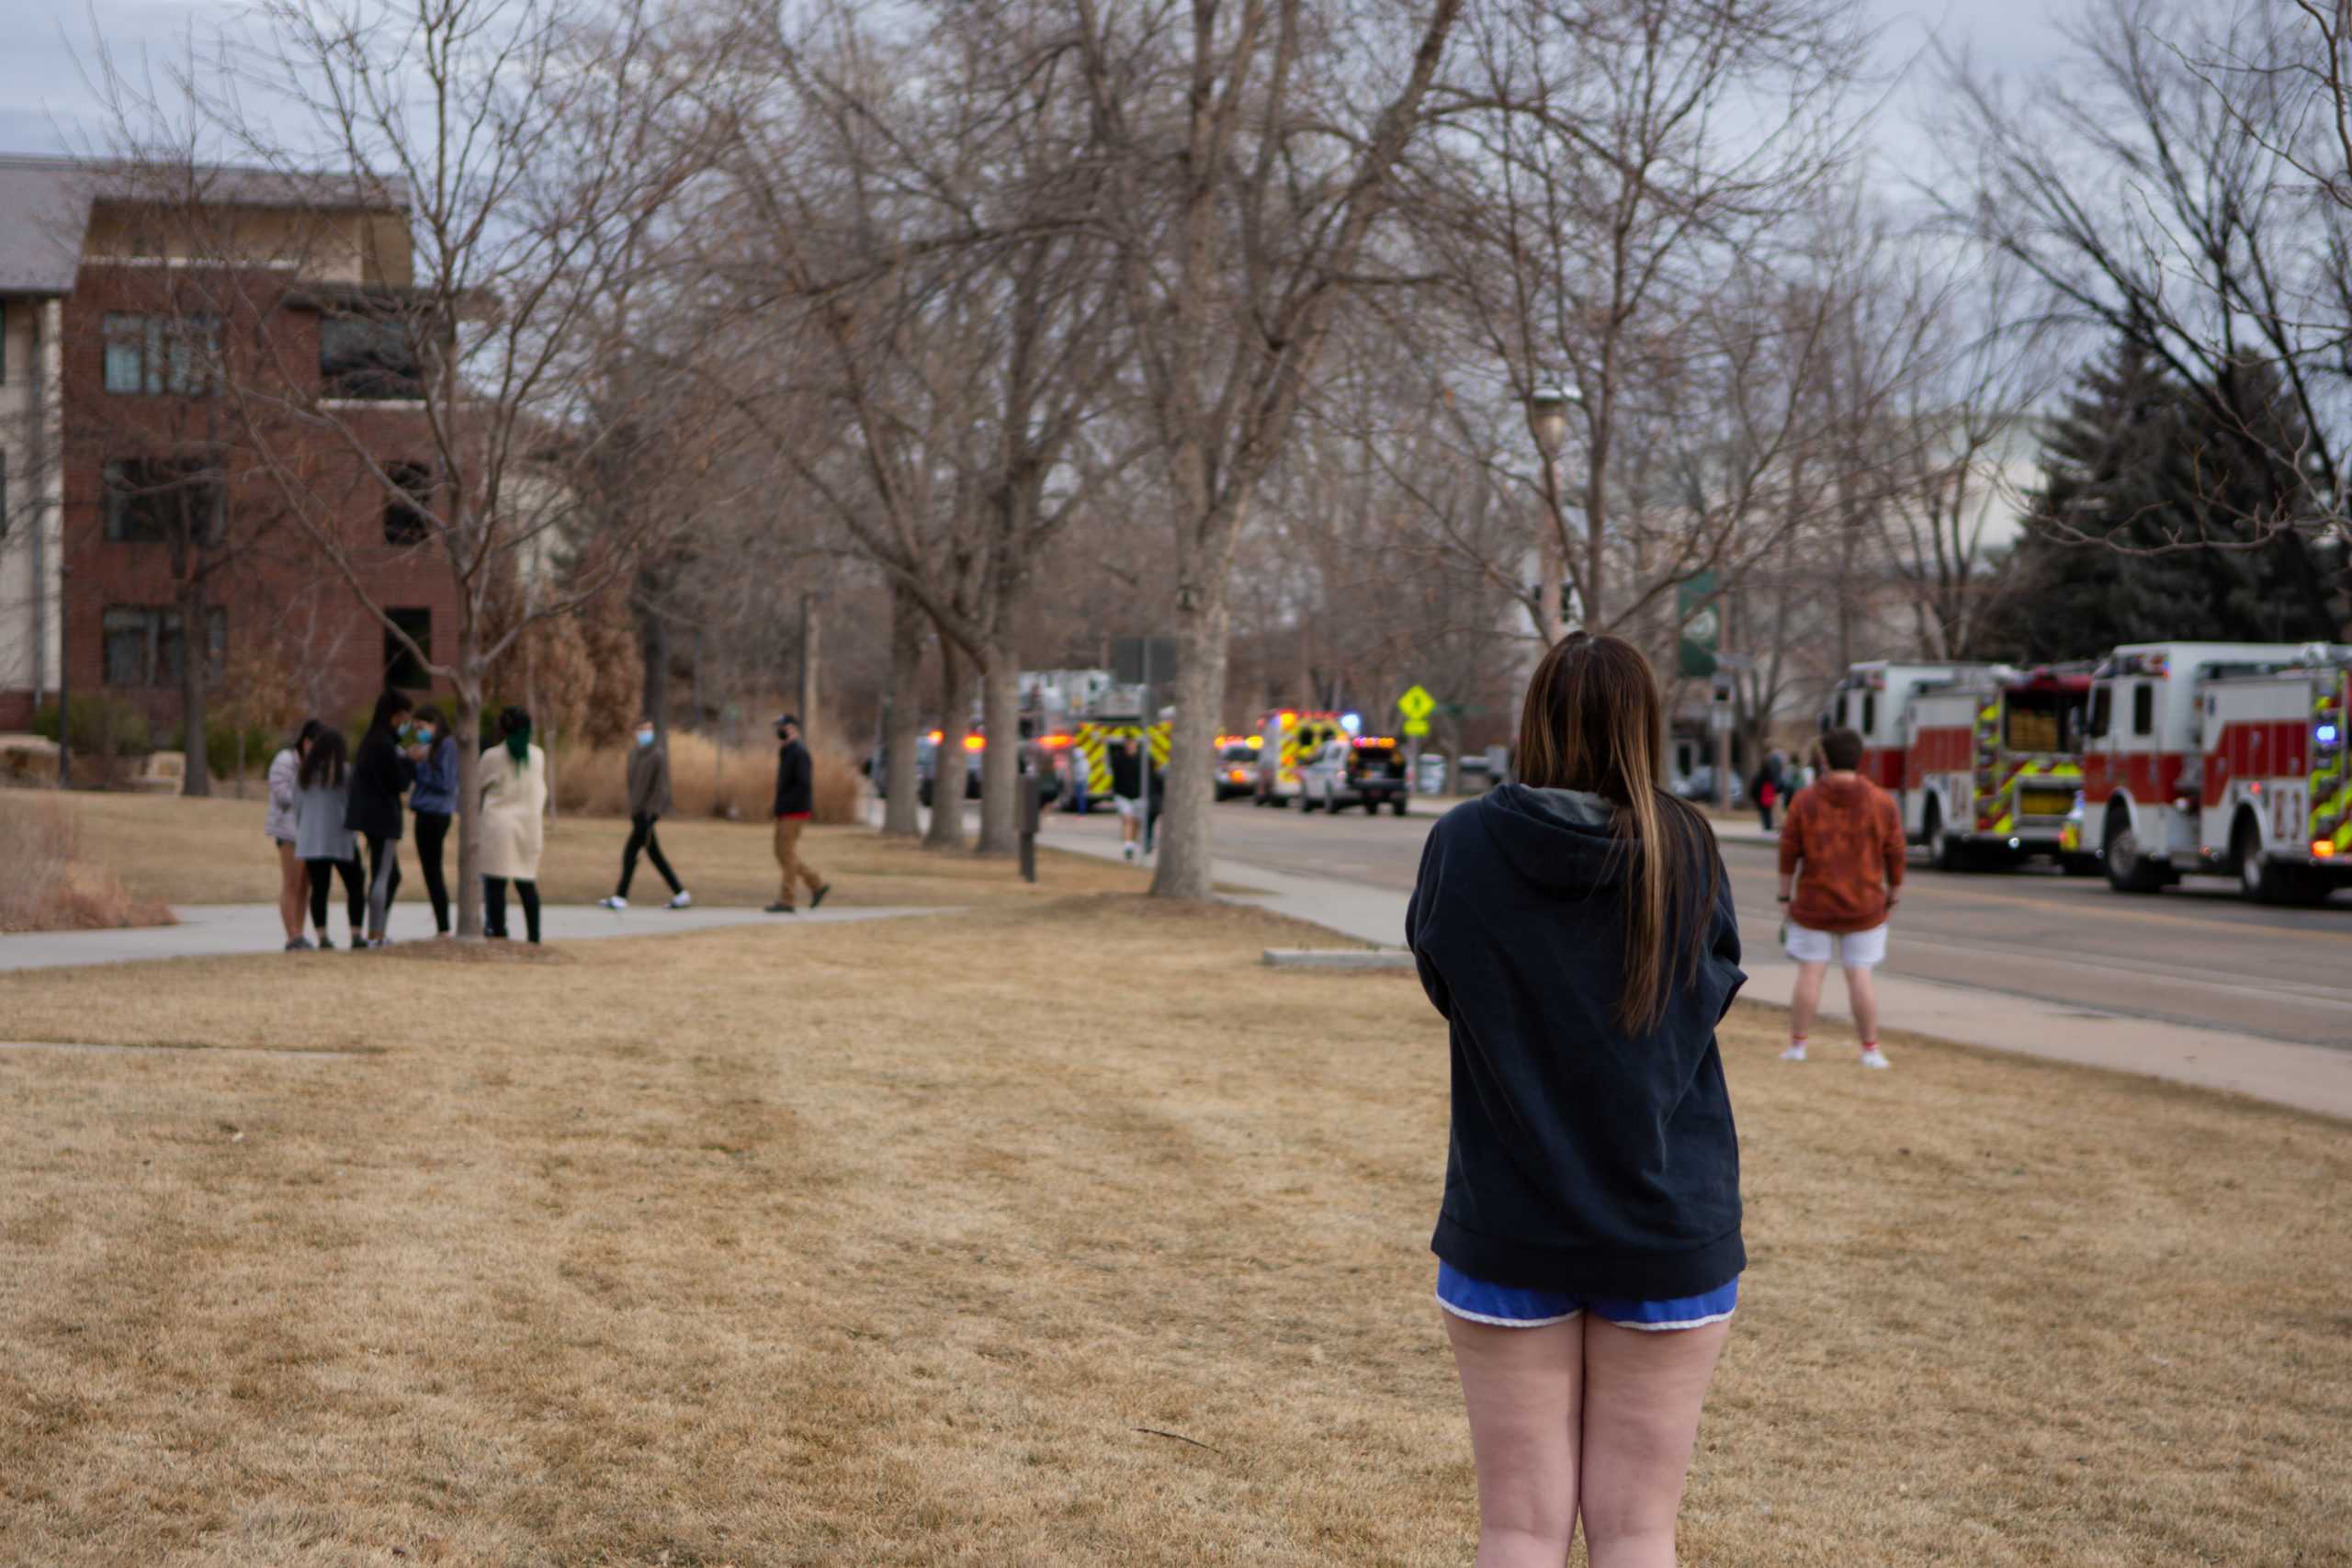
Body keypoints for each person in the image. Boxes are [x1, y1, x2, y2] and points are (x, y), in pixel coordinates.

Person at [1406, 631, 1744, 1568]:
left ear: (1534, 719)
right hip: (1667, 1223)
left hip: (1506, 1219)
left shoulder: (1462, 844)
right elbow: (1710, 994)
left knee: (1516, 1529)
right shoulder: (1687, 848)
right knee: (1638, 1531)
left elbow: (1445, 978)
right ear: (1643, 726)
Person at [1777, 726, 1905, 1070]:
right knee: (1860, 974)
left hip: (1813, 903)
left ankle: (1798, 1046)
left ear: (1824, 758)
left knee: (1810, 973)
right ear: (1859, 758)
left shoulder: (1805, 800)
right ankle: (1870, 1049)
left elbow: (1789, 850)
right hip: (1865, 904)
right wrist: (1893, 895)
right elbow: (1895, 852)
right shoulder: (1882, 801)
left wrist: (1784, 895)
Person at [345, 689, 416, 948]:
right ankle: (376, 933)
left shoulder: (370, 740)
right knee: (383, 874)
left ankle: (378, 927)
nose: (406, 723)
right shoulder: (384, 744)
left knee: (388, 874)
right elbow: (400, 782)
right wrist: (411, 762)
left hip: (369, 816)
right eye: (404, 717)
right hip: (384, 819)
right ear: (395, 715)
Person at [600, 717, 691, 910]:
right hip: (636, 812)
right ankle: (680, 893)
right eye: (642, 730)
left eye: (649, 729)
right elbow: (633, 785)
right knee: (654, 855)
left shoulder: (657, 756)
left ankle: (620, 896)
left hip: (647, 815)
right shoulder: (633, 755)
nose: (646, 733)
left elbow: (660, 788)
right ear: (636, 732)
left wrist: (652, 812)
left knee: (630, 853)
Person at [478, 705, 548, 942]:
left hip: (498, 826)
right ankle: (534, 936)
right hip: (529, 826)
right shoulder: (538, 756)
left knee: (496, 884)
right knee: (526, 883)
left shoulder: (492, 756)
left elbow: (477, 786)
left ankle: (498, 932)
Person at [294, 728, 366, 950]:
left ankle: (322, 935)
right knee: (355, 884)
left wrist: (304, 829)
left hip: (312, 840)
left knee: (320, 889)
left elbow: (297, 807)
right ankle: (355, 933)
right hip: (340, 838)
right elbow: (353, 804)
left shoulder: (305, 775)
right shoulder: (344, 773)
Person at [266, 718, 322, 950]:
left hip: (308, 831)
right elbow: (283, 795)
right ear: (307, 742)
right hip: (288, 831)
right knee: (292, 882)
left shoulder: (316, 765)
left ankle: (300, 932)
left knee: (305, 885)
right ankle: (292, 935)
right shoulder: (285, 760)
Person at [768, 714, 830, 912]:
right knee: (782, 852)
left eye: (782, 726)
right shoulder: (787, 751)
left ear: (793, 728)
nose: (778, 730)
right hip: (785, 811)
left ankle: (787, 900)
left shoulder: (799, 753)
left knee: (786, 853)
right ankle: (816, 884)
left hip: (795, 812)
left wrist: (788, 806)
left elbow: (803, 785)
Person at [409, 704, 458, 936]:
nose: (419, 732)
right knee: (429, 870)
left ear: (435, 724)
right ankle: (441, 922)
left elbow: (446, 782)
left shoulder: (447, 746)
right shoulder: (429, 747)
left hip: (436, 814)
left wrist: (420, 765)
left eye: (422, 727)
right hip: (423, 812)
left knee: (434, 869)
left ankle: (443, 926)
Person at [1107, 732, 1148, 862]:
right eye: (1128, 742)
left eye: (1132, 742)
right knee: (1127, 819)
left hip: (1139, 795)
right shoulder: (1118, 758)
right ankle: (1128, 847)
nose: (1130, 745)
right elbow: (1114, 776)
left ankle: (1132, 843)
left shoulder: (1143, 759)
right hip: (1122, 795)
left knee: (1136, 821)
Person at [1748, 750, 1786, 833]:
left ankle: (1767, 827)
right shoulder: (1772, 776)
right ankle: (1769, 827)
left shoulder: (1759, 776)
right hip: (1769, 797)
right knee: (1770, 814)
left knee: (1765, 814)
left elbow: (1754, 788)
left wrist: (1754, 798)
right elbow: (1779, 785)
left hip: (1762, 798)